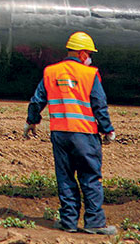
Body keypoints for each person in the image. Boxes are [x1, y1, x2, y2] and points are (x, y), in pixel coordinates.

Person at [23, 31, 117, 235]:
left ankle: (68, 222)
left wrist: (31, 121)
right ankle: (94, 223)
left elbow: (37, 100)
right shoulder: (89, 74)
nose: (90, 57)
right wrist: (107, 130)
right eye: (89, 53)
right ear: (83, 54)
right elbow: (99, 104)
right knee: (90, 177)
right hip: (84, 134)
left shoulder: (51, 72)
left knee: (65, 177)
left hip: (60, 134)